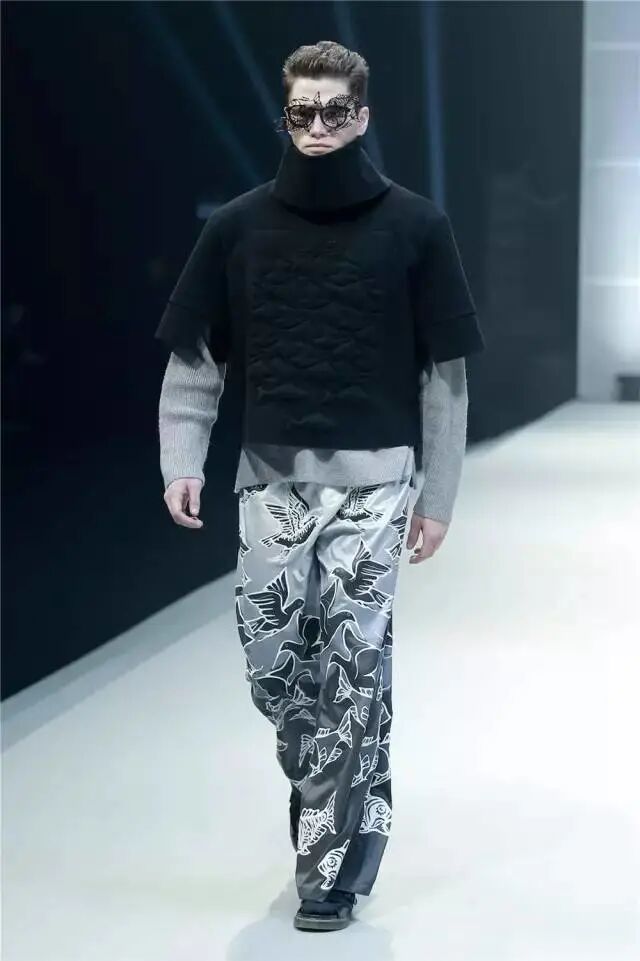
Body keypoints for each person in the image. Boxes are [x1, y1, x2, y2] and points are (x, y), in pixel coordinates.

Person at [155, 40, 485, 932]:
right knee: (273, 665)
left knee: (350, 659)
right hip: (270, 480)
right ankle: (345, 791)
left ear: (362, 116)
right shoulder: (237, 227)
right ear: (286, 117)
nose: (318, 126)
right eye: (302, 111)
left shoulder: (417, 226)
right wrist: (182, 458)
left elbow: (445, 376)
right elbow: (197, 356)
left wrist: (438, 495)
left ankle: (330, 865)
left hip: (376, 484)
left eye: (335, 110)